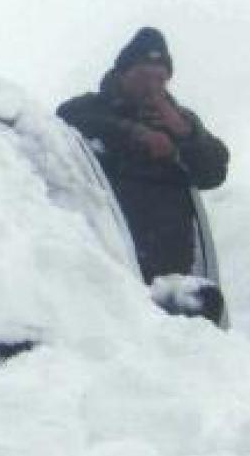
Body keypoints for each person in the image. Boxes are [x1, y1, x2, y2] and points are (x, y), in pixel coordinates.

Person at [57, 27, 229, 284]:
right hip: (105, 264)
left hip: (171, 276)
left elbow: (214, 172)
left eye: (160, 78)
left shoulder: (179, 122)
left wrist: (185, 134)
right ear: (122, 74)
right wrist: (134, 133)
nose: (152, 86)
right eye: (143, 76)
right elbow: (66, 120)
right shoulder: (91, 107)